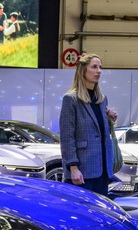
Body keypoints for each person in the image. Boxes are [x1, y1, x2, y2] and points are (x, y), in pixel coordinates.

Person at [59, 53, 115, 196]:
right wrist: (73, 168)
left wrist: (109, 121)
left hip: (102, 170)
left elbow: (100, 133)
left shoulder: (102, 99)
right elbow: (67, 137)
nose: (99, 71)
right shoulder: (71, 99)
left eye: (100, 67)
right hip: (82, 171)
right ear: (83, 70)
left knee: (100, 209)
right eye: (94, 67)